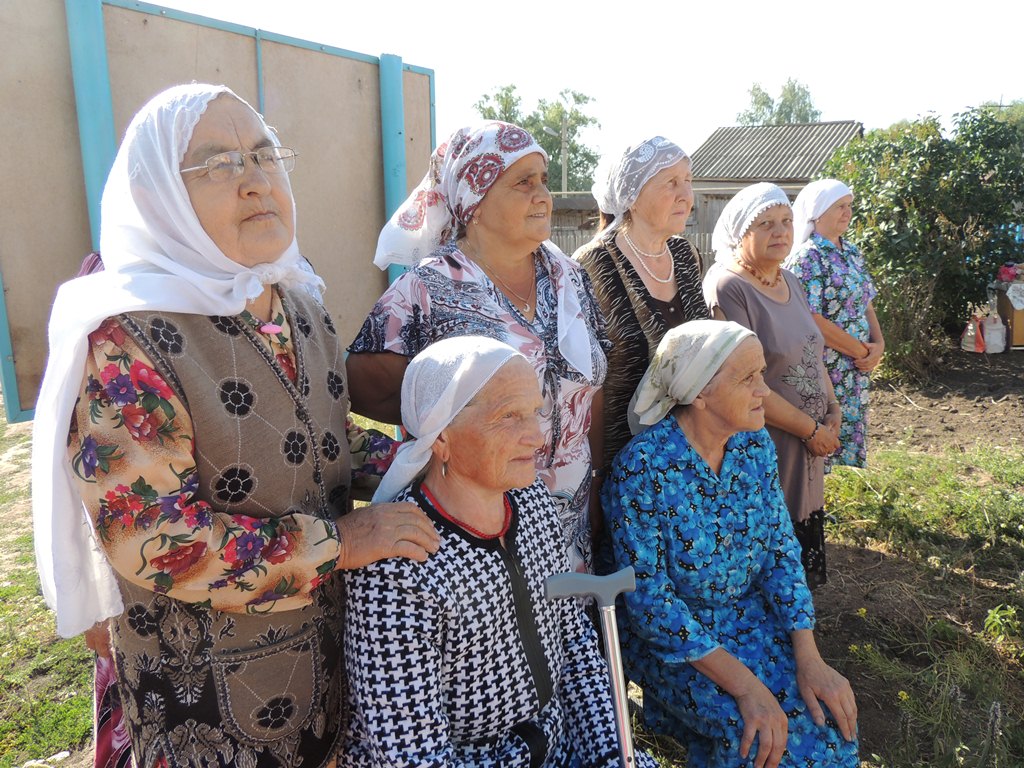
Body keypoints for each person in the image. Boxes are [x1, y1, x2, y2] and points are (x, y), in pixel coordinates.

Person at [31, 83, 440, 768]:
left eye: (264, 155)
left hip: (331, 670)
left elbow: (327, 437)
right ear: (159, 193)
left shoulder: (297, 299)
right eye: (219, 164)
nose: (254, 181)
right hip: (209, 705)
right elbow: (157, 541)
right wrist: (336, 545)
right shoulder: (129, 338)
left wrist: (429, 459)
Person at [342, 335, 656, 767]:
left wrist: (612, 752)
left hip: (555, 747)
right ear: (441, 439)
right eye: (509, 416)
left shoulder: (530, 504)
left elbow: (574, 642)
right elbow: (414, 755)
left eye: (536, 411)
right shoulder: (398, 561)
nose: (537, 436)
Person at [346, 121, 609, 571]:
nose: (542, 194)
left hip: (572, 515)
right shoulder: (428, 288)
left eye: (543, 181)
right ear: (476, 200)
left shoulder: (571, 280)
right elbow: (363, 385)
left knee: (565, 636)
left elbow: (592, 394)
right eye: (522, 183)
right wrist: (455, 421)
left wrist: (598, 485)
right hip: (476, 528)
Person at [603, 320, 859, 768]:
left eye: (761, 373)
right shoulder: (641, 471)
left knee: (827, 723)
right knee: (757, 735)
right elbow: (651, 605)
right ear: (699, 393)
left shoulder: (753, 445)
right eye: (748, 378)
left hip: (748, 617)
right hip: (679, 642)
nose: (764, 390)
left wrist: (810, 657)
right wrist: (747, 687)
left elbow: (781, 552)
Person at [703, 183, 841, 588]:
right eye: (765, 224)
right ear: (739, 233)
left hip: (809, 438)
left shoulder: (791, 281)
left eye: (786, 222)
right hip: (768, 440)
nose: (780, 232)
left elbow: (813, 352)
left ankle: (799, 624)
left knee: (800, 540)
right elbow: (747, 380)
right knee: (769, 538)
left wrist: (832, 411)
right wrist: (810, 429)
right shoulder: (729, 288)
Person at [574, 136, 709, 526]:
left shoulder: (684, 255)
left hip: (690, 451)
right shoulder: (590, 265)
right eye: (671, 183)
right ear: (632, 195)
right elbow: (587, 383)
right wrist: (596, 477)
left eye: (688, 180)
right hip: (622, 461)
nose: (686, 194)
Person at [784, 179, 885, 469]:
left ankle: (821, 505)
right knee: (820, 435)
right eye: (840, 206)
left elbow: (867, 301)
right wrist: (860, 351)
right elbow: (810, 317)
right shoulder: (807, 257)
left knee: (840, 438)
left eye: (850, 206)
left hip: (855, 366)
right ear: (818, 212)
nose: (847, 212)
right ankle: (810, 508)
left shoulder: (851, 252)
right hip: (827, 366)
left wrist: (879, 345)